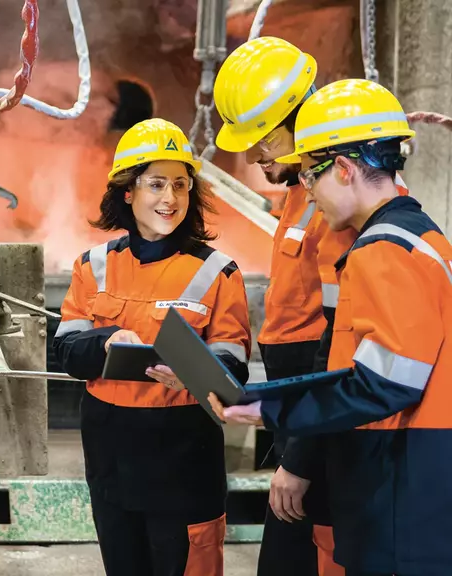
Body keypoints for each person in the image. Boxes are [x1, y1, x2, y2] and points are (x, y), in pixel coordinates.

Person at [209, 78, 452, 576]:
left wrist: (266, 405)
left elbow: (384, 385)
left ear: (342, 169)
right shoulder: (415, 237)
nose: (306, 193)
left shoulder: (386, 251)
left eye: (308, 176)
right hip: (405, 475)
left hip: (403, 483)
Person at [53, 118, 251, 576]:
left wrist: (197, 371)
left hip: (182, 459)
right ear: (128, 191)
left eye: (181, 186)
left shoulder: (217, 271)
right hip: (111, 461)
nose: (171, 199)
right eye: (157, 184)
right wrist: (105, 341)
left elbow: (233, 364)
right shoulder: (94, 265)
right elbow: (66, 352)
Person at [213, 36, 347, 576]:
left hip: (320, 408)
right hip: (298, 403)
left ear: (301, 121)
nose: (251, 156)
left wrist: (299, 457)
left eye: (263, 140)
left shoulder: (336, 204)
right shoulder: (301, 191)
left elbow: (337, 347)